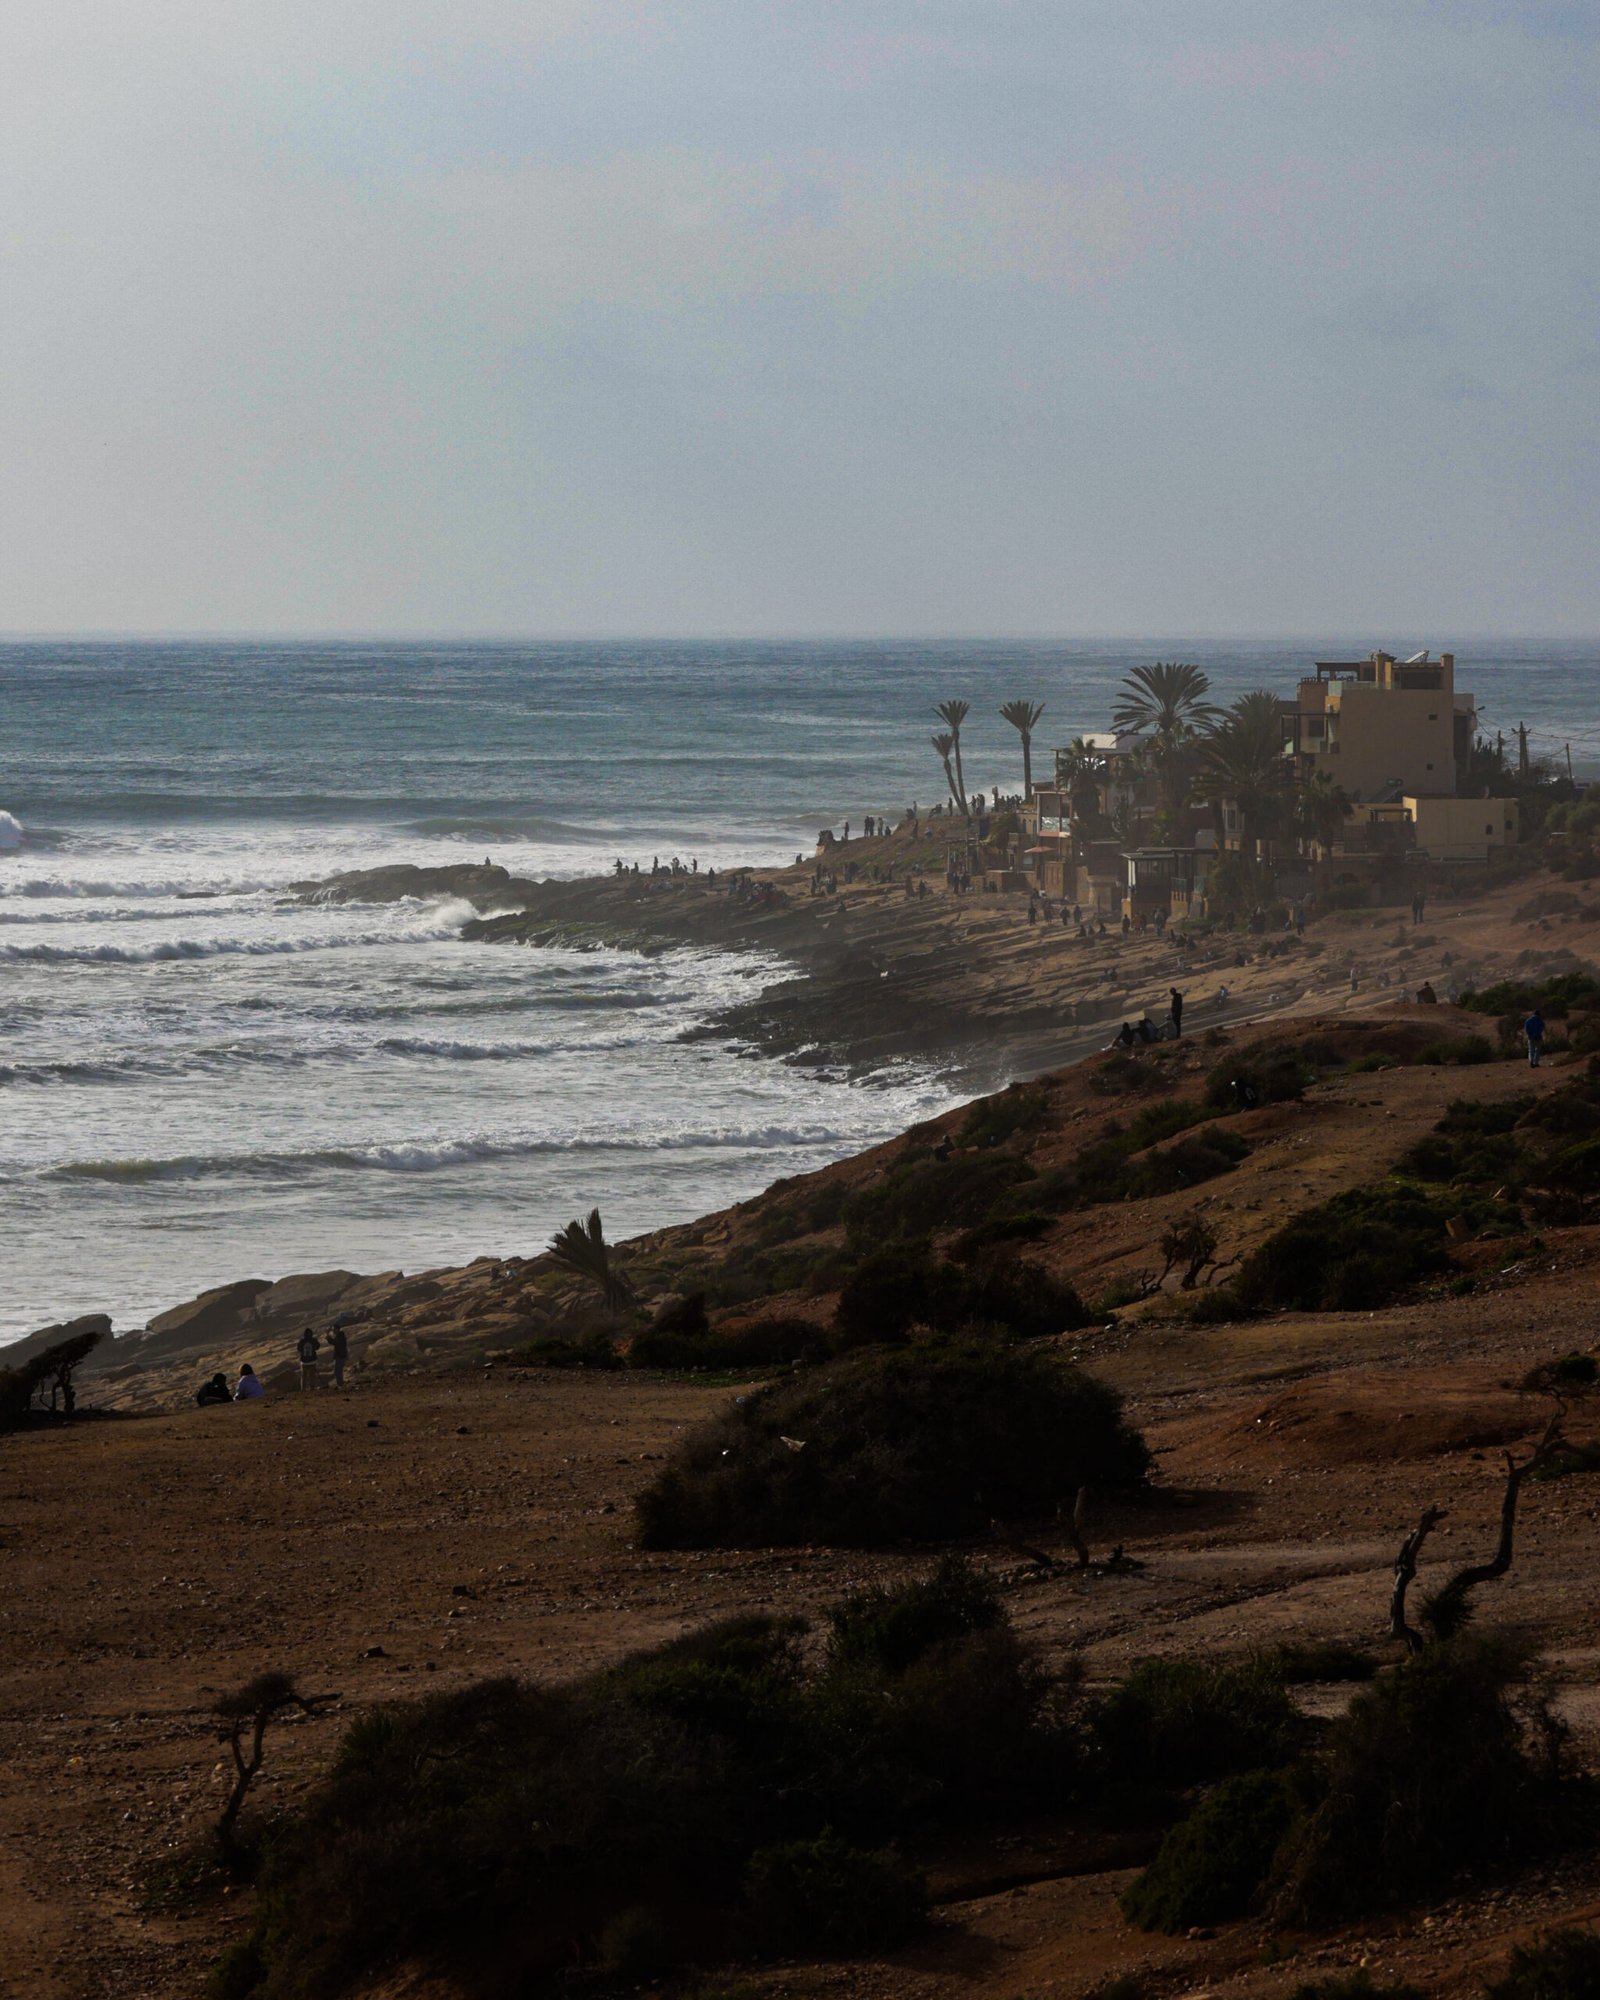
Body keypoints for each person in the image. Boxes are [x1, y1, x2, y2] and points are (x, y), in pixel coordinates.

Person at [296, 1326, 320, 1391]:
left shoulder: (302, 1341)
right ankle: (312, 1389)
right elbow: (318, 1347)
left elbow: (298, 1348)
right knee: (312, 1376)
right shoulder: (314, 1340)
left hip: (304, 1361)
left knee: (304, 1376)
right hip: (312, 1361)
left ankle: (303, 1389)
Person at [330, 1323, 350, 1390]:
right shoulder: (340, 1335)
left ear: (337, 1329)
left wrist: (327, 1337)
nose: (333, 1331)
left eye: (334, 1329)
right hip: (340, 1356)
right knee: (338, 1371)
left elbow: (335, 1342)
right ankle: (340, 1384)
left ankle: (340, 1385)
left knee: (338, 1371)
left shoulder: (340, 1336)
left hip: (340, 1356)